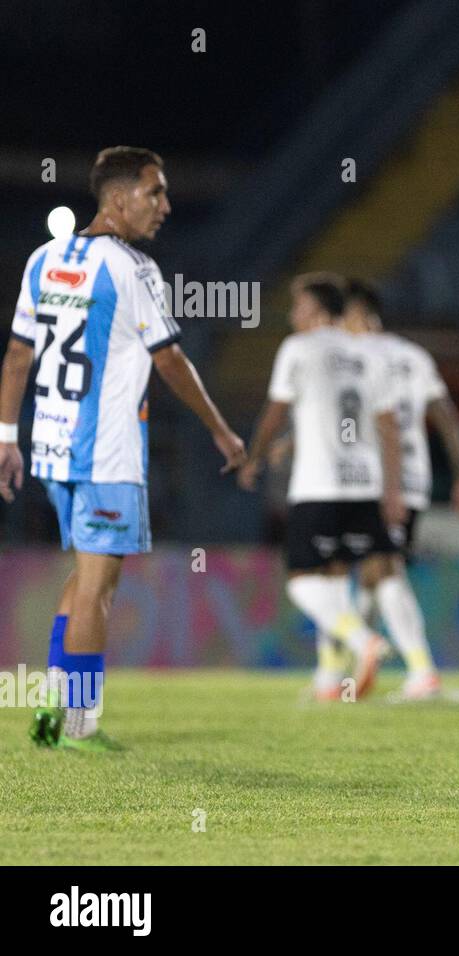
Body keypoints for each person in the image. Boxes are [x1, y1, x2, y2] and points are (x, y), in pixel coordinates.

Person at [0, 146, 246, 749]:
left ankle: (57, 706)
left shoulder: (43, 258)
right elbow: (170, 359)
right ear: (117, 198)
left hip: (51, 443)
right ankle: (80, 722)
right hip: (105, 451)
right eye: (154, 192)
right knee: (97, 587)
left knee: (84, 577)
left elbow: (17, 356)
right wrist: (220, 428)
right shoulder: (133, 269)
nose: (164, 205)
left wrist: (6, 435)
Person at [238, 273, 404, 701]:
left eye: (298, 307)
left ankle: (361, 641)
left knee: (301, 579)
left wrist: (253, 456)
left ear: (314, 311)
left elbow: (277, 411)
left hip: (318, 483)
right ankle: (331, 678)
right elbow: (388, 426)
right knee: (335, 578)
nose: (293, 315)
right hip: (363, 484)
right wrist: (393, 490)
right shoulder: (368, 353)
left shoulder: (298, 348)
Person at [339, 278, 459, 699]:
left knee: (382, 565)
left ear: (361, 316)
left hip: (375, 479)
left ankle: (421, 672)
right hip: (411, 479)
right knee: (371, 571)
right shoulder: (413, 356)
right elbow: (446, 416)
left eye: (340, 316)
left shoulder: (350, 356)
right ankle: (352, 672)